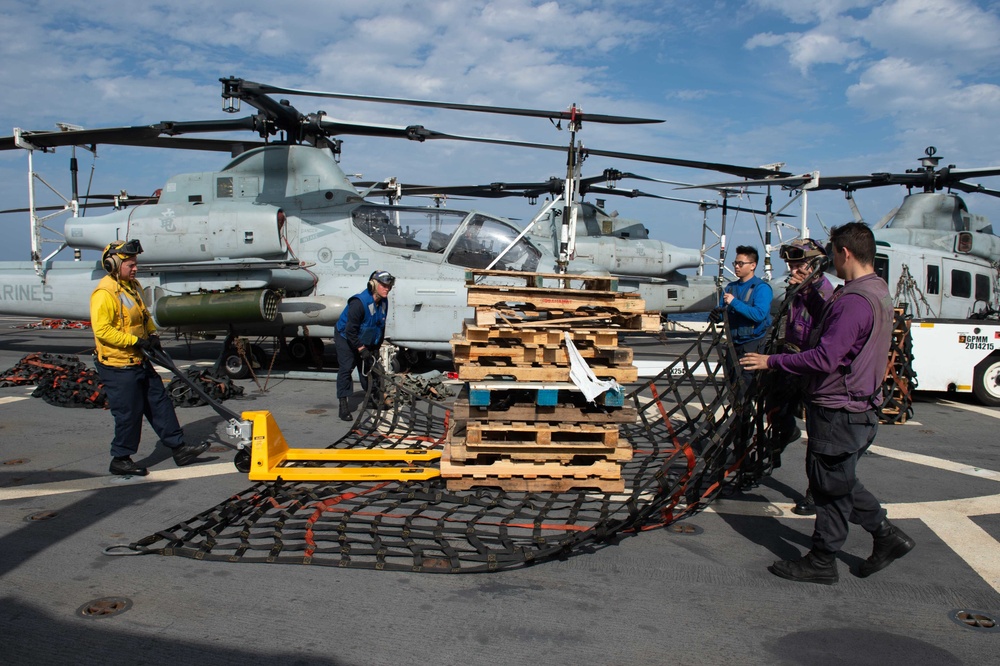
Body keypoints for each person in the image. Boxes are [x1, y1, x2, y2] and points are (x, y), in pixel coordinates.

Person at [740, 223, 915, 585]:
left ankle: (826, 557)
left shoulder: (853, 300)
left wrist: (769, 362)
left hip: (839, 408)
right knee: (833, 481)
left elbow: (824, 358)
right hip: (854, 406)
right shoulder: (875, 289)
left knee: (830, 484)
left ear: (844, 253)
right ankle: (884, 536)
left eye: (833, 254)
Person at [91, 239, 209, 476]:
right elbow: (102, 331)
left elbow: (143, 315)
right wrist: (135, 341)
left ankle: (179, 448)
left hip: (139, 360)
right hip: (118, 366)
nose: (135, 268)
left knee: (160, 404)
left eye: (135, 263)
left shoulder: (132, 285)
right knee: (129, 413)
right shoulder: (104, 293)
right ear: (113, 264)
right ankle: (120, 458)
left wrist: (152, 334)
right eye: (130, 264)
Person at [770, 238, 835, 515]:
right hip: (788, 361)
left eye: (799, 262)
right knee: (775, 411)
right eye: (791, 263)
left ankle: (814, 492)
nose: (794, 268)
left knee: (818, 440)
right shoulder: (795, 290)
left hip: (812, 367)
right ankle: (785, 434)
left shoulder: (824, 293)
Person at [712, 245, 773, 401]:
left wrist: (734, 303)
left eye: (741, 264)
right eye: (735, 263)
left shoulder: (761, 288)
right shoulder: (730, 288)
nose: (737, 267)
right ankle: (736, 423)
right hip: (733, 346)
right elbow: (723, 313)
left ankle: (742, 423)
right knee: (732, 389)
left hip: (752, 346)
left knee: (745, 390)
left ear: (753, 266)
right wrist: (715, 315)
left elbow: (759, 315)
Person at [335, 269, 395, 421]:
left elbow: (380, 325)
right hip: (346, 337)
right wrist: (361, 349)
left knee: (368, 369)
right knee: (346, 368)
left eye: (389, 286)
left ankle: (370, 400)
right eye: (384, 285)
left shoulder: (383, 302)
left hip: (365, 337)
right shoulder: (359, 303)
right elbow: (350, 331)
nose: (387, 288)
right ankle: (343, 405)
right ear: (373, 285)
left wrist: (375, 348)